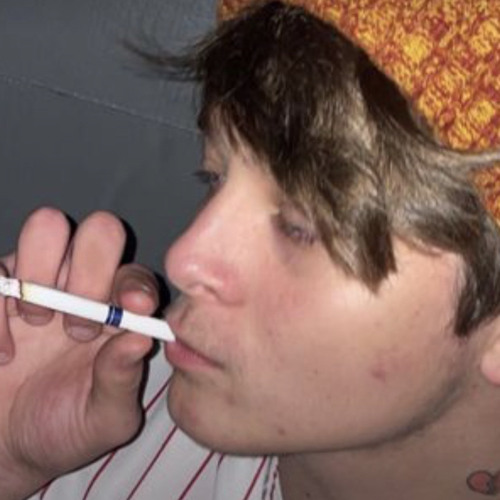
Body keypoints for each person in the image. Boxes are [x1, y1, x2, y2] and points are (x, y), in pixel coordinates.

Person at [1, 1, 500, 499]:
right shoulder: (91, 415)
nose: (182, 259)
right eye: (214, 178)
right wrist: (9, 462)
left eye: (300, 227)